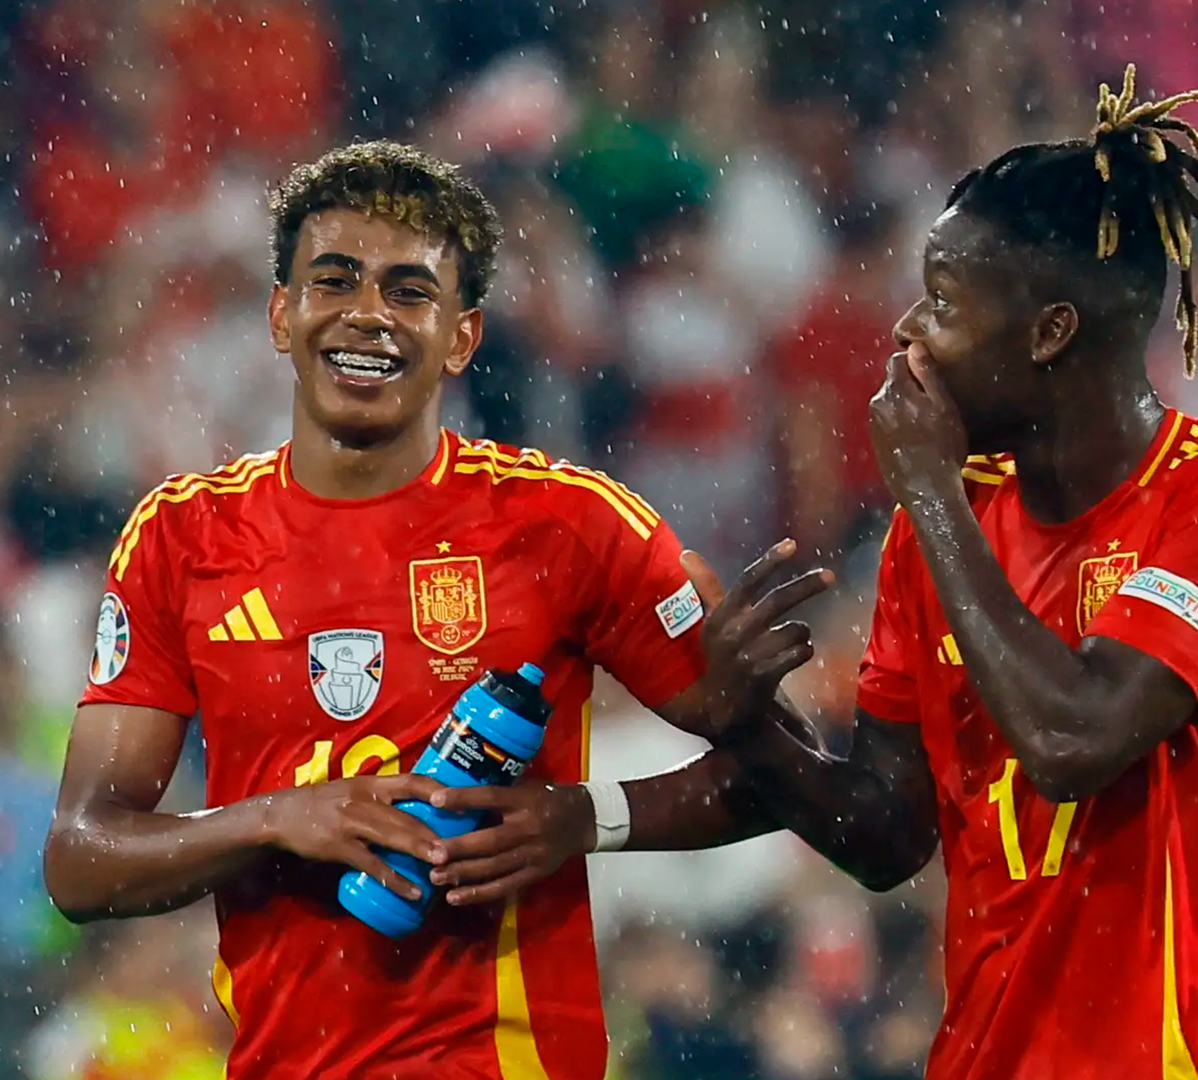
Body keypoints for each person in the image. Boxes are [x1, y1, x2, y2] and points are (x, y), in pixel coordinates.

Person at [43, 141, 825, 1080]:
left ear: (461, 336)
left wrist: (589, 815)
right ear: (281, 314)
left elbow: (796, 776)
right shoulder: (181, 537)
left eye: (409, 291)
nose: (367, 313)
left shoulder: (567, 523)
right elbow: (81, 860)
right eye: (335, 280)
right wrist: (274, 820)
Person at [686, 66, 1198, 1078]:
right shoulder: (937, 529)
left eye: (940, 301)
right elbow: (887, 833)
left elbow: (1075, 738)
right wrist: (741, 719)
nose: (907, 333)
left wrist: (932, 497)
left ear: (1049, 332)